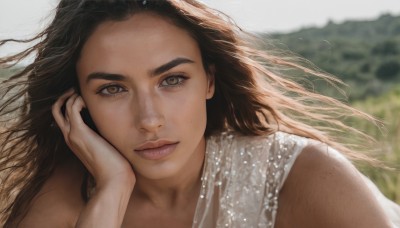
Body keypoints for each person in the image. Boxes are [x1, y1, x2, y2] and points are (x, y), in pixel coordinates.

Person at [0, 0, 399, 227]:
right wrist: (111, 193)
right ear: (77, 105)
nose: (150, 119)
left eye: (172, 80)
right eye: (113, 89)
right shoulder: (71, 196)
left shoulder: (301, 175)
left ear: (209, 80)